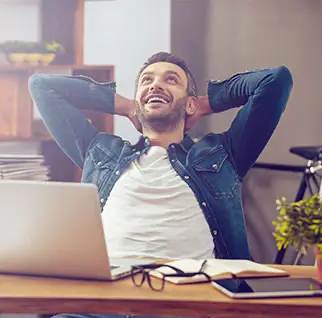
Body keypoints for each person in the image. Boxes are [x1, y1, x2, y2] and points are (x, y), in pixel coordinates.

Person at [29, 52, 292, 316]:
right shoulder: (100, 152)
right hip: (104, 305)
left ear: (189, 104)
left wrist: (205, 102)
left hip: (191, 304)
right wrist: (122, 104)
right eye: (147, 80)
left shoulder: (223, 154)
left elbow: (275, 80)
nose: (156, 85)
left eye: (171, 80)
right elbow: (41, 86)